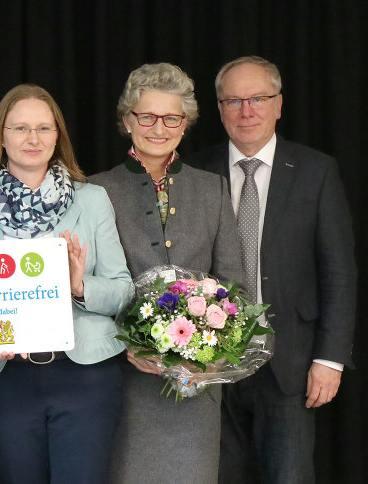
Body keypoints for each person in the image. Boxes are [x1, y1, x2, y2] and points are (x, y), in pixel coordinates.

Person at [190, 55, 357, 484]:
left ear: (278, 105)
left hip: (292, 365)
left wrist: (330, 359)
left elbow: (338, 271)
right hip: (213, 366)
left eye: (258, 99)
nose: (246, 111)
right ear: (220, 109)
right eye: (234, 101)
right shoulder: (196, 173)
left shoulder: (316, 171)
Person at [0, 84, 133, 483]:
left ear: (58, 136)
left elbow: (123, 290)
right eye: (20, 128)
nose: (33, 138)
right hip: (6, 379)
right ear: (1, 137)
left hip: (84, 375)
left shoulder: (92, 200)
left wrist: (78, 286)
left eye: (44, 128)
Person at [87, 63, 243, 484]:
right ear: (127, 121)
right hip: (121, 383)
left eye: (171, 117)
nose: (159, 127)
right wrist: (126, 347)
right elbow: (82, 290)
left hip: (198, 388)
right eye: (146, 116)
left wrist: (214, 356)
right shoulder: (93, 190)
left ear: (185, 123)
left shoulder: (212, 189)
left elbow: (234, 287)